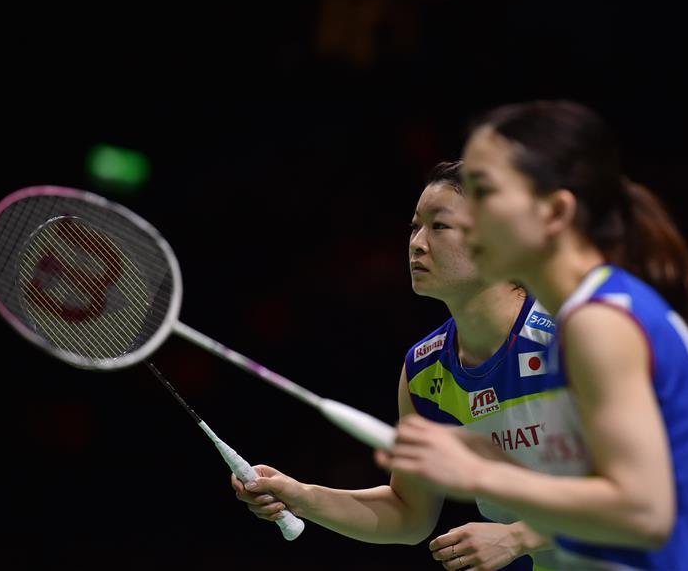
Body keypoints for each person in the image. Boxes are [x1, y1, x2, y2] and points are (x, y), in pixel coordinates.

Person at [379, 101, 688, 570]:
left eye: (485, 191)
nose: (465, 217)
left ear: (555, 212)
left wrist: (481, 476)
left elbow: (643, 511)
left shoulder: (596, 325)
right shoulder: (606, 304)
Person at [233, 161, 569, 570]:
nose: (417, 243)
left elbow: (654, 480)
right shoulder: (425, 372)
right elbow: (409, 513)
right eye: (414, 227)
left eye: (439, 226)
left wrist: (519, 536)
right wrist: (302, 496)